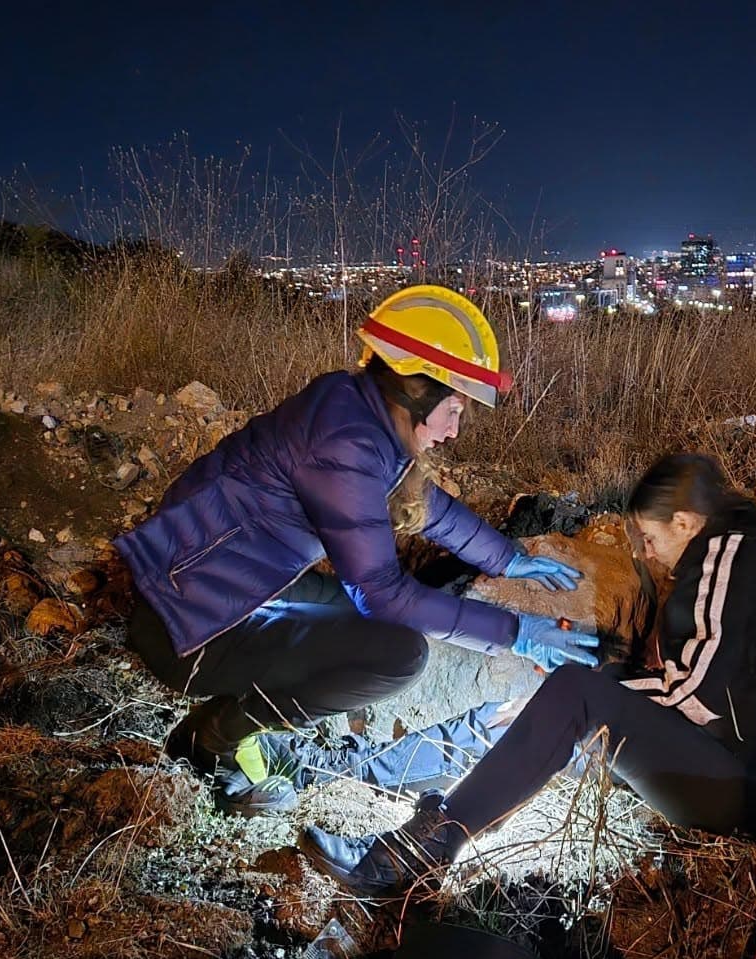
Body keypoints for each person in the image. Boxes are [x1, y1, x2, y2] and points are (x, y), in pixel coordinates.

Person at [115, 285, 600, 814]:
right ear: (417, 389)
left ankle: (241, 713)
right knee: (397, 654)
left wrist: (507, 559)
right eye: (454, 408)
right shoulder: (343, 441)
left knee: (360, 626)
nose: (455, 430)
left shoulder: (355, 411)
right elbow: (380, 593)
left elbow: (422, 505)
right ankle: (215, 736)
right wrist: (514, 634)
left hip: (211, 586)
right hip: (188, 627)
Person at [302, 452, 756, 895]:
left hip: (748, 785)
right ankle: (357, 772)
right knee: (535, 718)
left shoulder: (727, 557)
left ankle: (420, 853)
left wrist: (597, 691)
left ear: (686, 523)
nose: (647, 554)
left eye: (651, 537)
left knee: (572, 694)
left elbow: (703, 693)